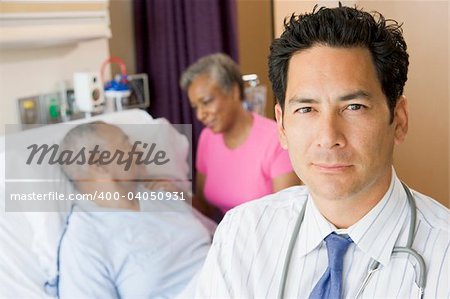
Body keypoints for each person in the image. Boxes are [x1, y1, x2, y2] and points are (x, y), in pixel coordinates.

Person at [181, 5, 449, 298]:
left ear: (399, 119)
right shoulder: (242, 235)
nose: (328, 137)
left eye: (353, 107)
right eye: (306, 109)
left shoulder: (443, 252)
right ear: (281, 126)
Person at [52, 122, 215, 299]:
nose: (138, 150)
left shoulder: (161, 196)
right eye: (127, 143)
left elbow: (220, 235)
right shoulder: (85, 242)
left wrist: (184, 198)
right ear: (99, 164)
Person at [180, 53, 300, 219]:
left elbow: (287, 216)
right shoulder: (207, 138)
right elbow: (204, 209)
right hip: (221, 238)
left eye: (206, 101)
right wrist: (174, 193)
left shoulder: (275, 140)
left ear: (234, 92)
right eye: (195, 107)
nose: (200, 115)